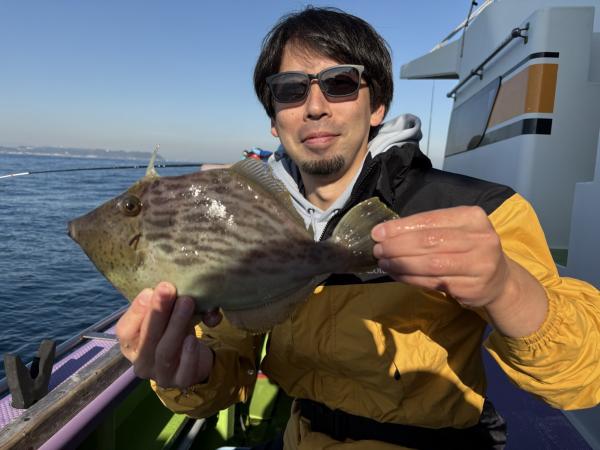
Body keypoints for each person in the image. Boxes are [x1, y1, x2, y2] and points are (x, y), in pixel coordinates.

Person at [115, 7, 600, 449]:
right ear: (274, 119)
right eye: (291, 90)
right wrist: (191, 372)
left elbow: (582, 378)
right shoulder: (241, 220)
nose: (315, 106)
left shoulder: (478, 209)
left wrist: (506, 289)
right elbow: (226, 363)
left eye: (341, 83)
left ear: (377, 106)